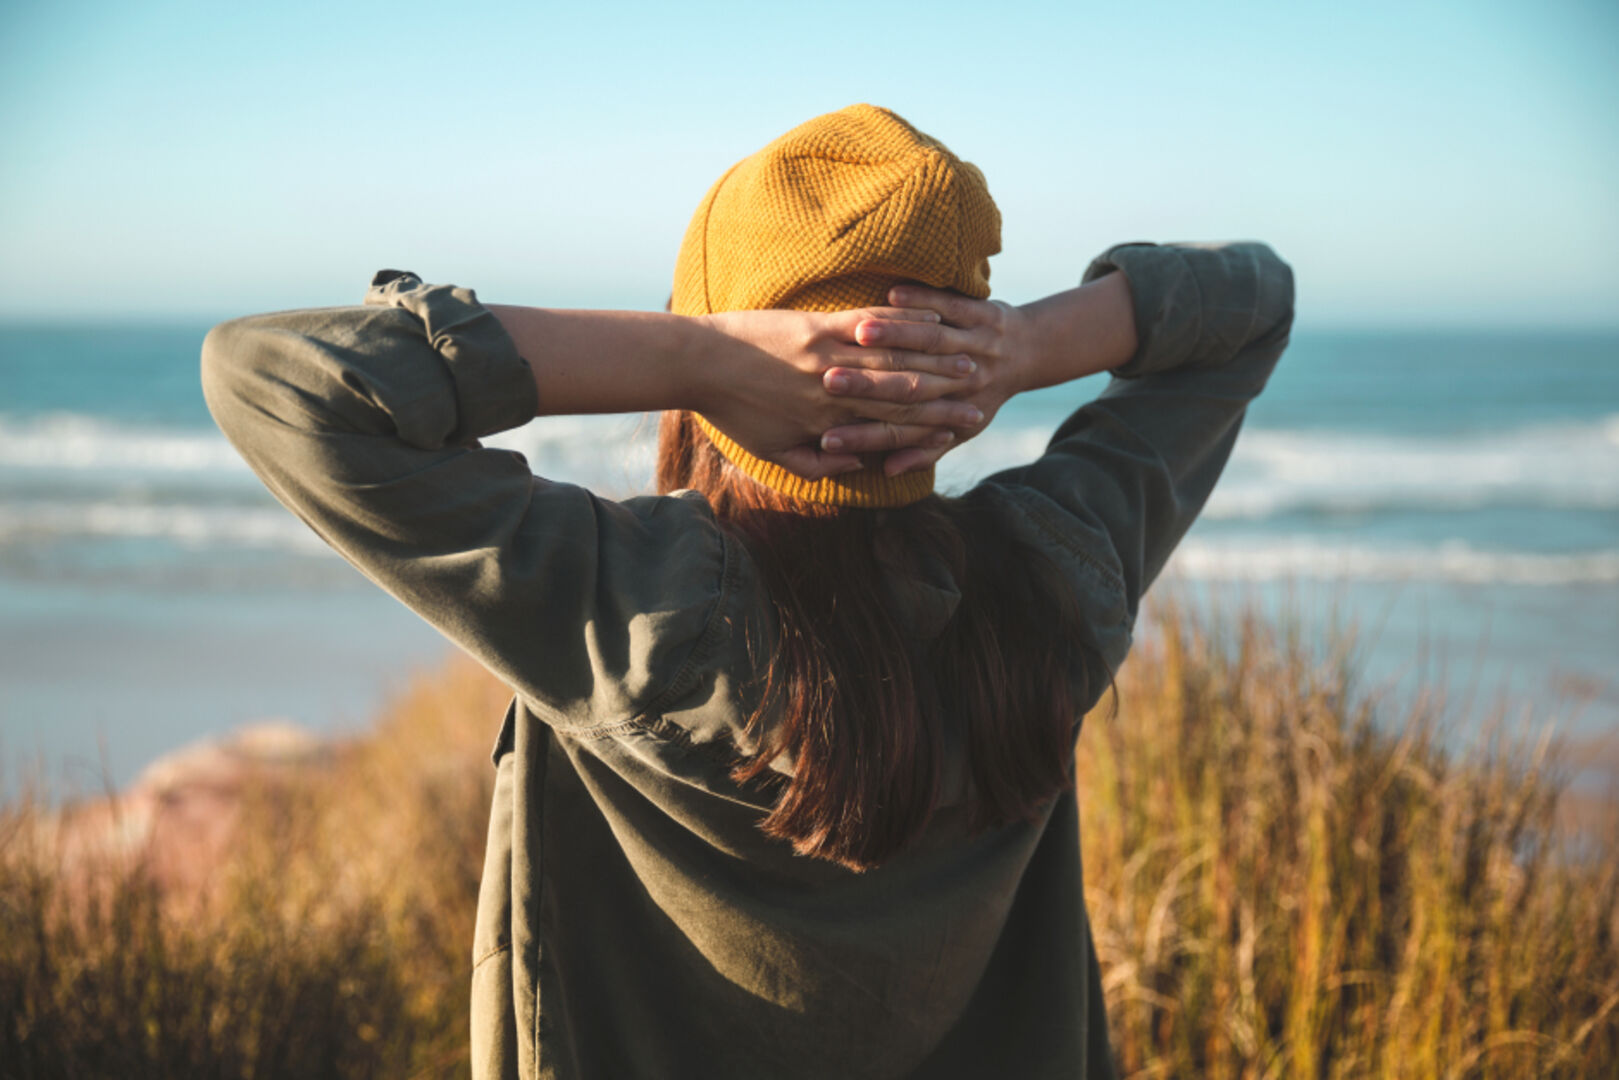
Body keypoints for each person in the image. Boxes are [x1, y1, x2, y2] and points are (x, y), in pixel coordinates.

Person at [202, 104, 1294, 1079]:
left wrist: (697, 357)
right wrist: (1025, 346)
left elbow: (276, 378)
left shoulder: (635, 607)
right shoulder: (1055, 573)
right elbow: (1251, 300)